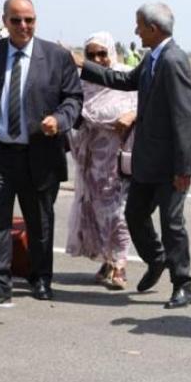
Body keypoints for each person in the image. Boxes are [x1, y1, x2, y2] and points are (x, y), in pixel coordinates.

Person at [77, 2, 191, 309]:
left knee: (172, 224)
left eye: (139, 26)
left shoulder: (173, 60)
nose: (135, 31)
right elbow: (124, 81)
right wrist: (84, 65)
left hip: (171, 164)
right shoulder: (152, 58)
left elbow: (187, 117)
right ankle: (156, 259)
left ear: (153, 29)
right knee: (134, 214)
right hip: (147, 160)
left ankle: (182, 284)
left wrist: (184, 168)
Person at [0, 0, 83, 309]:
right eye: (16, 20)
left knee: (40, 221)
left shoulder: (55, 57)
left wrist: (59, 121)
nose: (24, 26)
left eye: (30, 20)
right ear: (4, 21)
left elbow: (73, 99)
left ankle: (41, 278)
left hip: (39, 152)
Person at [67, 31, 136, 290]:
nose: (98, 59)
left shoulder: (127, 76)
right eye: (92, 55)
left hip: (119, 161)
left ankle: (120, 265)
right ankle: (107, 259)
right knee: (96, 213)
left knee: (118, 214)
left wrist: (131, 115)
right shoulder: (82, 83)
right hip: (91, 160)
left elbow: (146, 104)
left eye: (102, 53)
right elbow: (74, 111)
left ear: (112, 52)